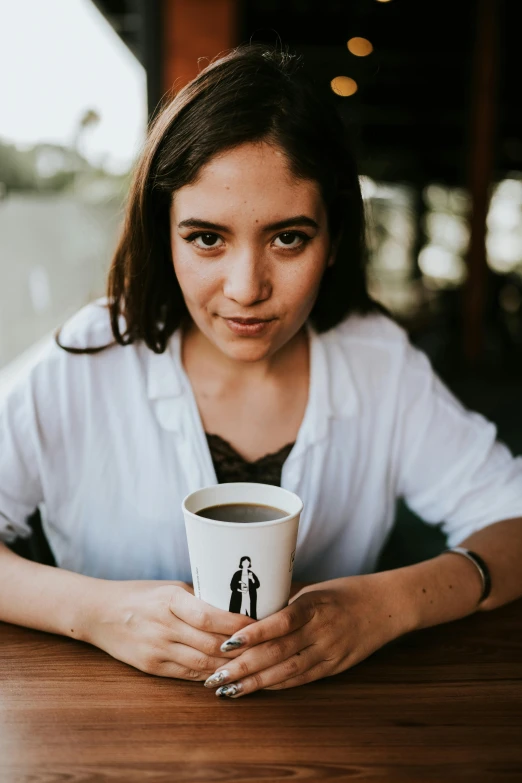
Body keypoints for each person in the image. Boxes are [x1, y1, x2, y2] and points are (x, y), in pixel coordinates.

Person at [0, 45, 521, 701]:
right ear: (164, 235)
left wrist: (384, 605)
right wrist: (95, 612)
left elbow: (513, 520)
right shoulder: (88, 359)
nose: (247, 288)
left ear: (333, 240)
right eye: (207, 238)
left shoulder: (377, 362)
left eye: (288, 237)